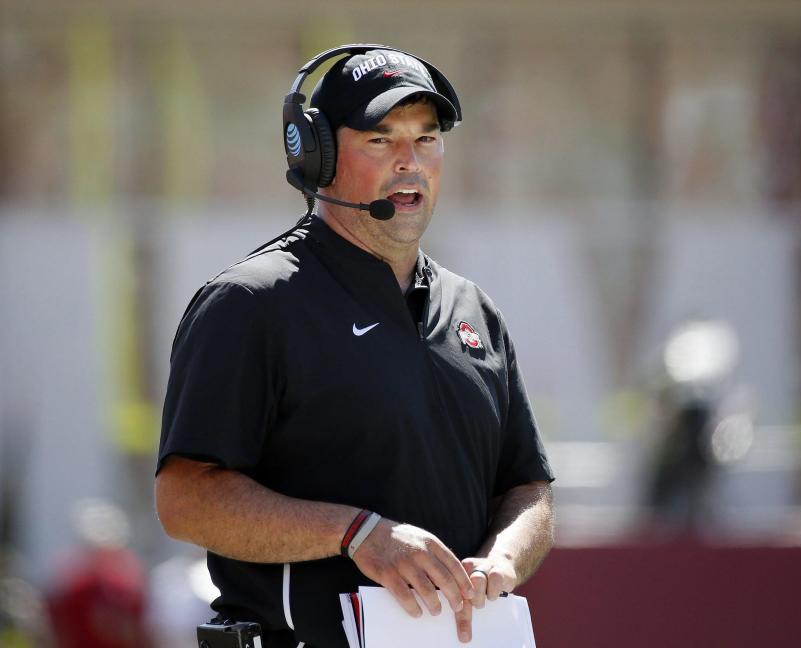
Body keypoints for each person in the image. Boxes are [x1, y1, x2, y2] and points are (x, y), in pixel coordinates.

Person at [154, 44, 555, 648]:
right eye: (380, 139)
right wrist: (359, 533)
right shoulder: (251, 303)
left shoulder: (475, 311)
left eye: (426, 139)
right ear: (316, 156)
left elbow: (528, 491)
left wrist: (504, 562)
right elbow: (184, 500)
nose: (409, 161)